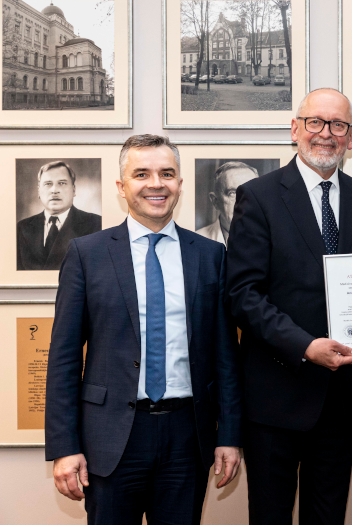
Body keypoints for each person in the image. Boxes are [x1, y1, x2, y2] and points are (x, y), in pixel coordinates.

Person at [45, 134, 242, 525]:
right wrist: (64, 447)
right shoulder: (87, 254)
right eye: (142, 174)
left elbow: (226, 355)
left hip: (188, 436)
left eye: (166, 173)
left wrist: (230, 435)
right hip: (110, 437)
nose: (156, 183)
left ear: (179, 184)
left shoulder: (210, 255)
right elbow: (63, 358)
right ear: (122, 187)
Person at [225, 87, 352, 525]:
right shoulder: (258, 196)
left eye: (338, 124)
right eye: (315, 122)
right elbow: (242, 294)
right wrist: (305, 346)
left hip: (342, 398)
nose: (326, 133)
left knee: (328, 516)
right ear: (295, 129)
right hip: (275, 395)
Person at [17, 161, 102, 270]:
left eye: (62, 183)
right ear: (39, 191)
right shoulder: (22, 228)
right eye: (48, 184)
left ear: (74, 189)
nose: (54, 190)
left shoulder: (96, 225)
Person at [196, 161, 259, 246]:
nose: (243, 201)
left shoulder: (274, 239)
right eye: (232, 193)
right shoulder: (196, 241)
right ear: (215, 201)